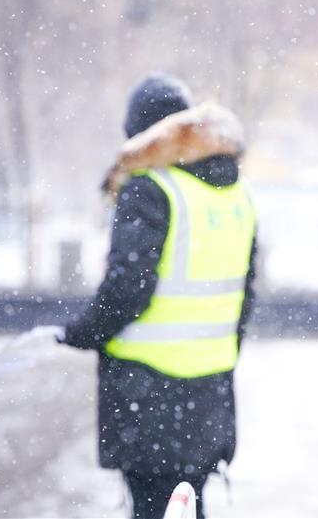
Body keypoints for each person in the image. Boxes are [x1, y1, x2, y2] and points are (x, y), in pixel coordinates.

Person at [58, 74, 257, 519]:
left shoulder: (150, 189)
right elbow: (245, 298)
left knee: (152, 508)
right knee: (189, 505)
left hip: (147, 397)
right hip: (209, 393)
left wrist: (80, 333)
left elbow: (127, 290)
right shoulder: (237, 194)